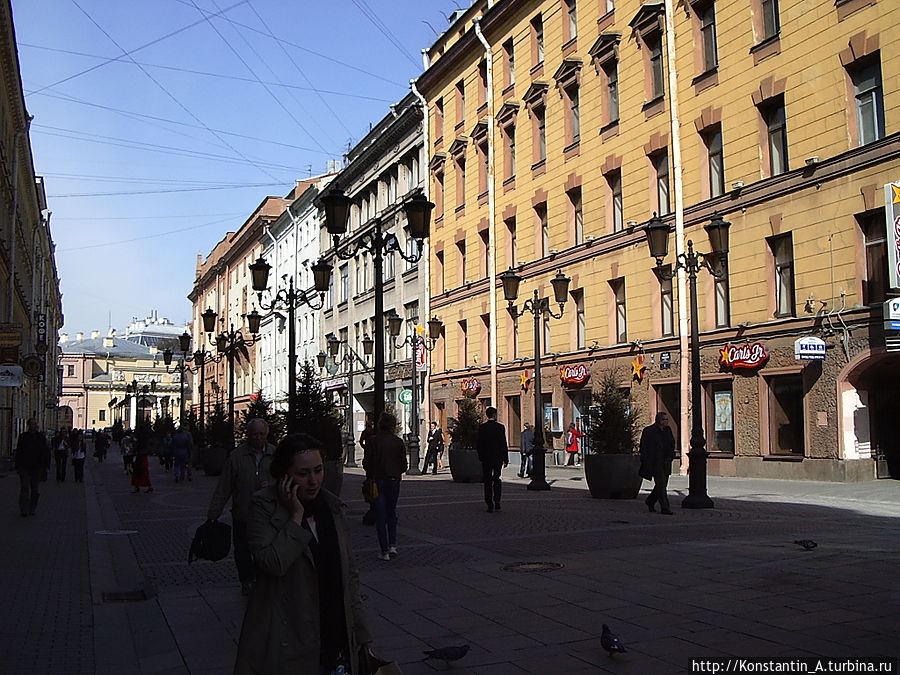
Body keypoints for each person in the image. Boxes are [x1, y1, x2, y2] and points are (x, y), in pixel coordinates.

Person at [234, 433, 373, 674]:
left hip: (335, 632)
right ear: (284, 475)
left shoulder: (331, 508)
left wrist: (362, 635)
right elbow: (272, 563)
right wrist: (296, 516)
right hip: (290, 636)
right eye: (303, 473)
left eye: (318, 470)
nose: (313, 481)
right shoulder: (263, 508)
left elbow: (348, 575)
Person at [207, 418, 275, 595]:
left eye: (261, 434)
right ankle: (246, 581)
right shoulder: (237, 457)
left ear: (267, 434)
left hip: (268, 515)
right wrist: (213, 513)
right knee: (242, 551)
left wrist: (273, 485)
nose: (258, 438)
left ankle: (263, 580)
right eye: (255, 434)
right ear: (248, 435)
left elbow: (284, 480)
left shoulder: (275, 455)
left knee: (264, 550)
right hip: (243, 513)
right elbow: (224, 487)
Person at [364, 412, 407, 562]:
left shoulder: (373, 441)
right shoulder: (398, 442)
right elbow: (404, 465)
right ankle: (393, 545)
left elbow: (366, 463)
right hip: (394, 480)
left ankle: (384, 550)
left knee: (380, 514)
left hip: (378, 481)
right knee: (391, 512)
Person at [639, 412, 677, 515]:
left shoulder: (667, 430)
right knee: (660, 484)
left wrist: (671, 455)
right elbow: (644, 447)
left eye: (667, 419)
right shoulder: (649, 431)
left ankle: (650, 501)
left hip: (666, 461)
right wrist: (645, 461)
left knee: (662, 485)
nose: (666, 421)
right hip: (655, 462)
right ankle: (665, 507)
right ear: (659, 420)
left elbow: (671, 443)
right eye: (664, 419)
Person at [15, 418, 50, 517]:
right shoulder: (23, 437)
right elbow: (19, 451)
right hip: (24, 466)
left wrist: (45, 466)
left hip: (36, 467)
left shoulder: (40, 437)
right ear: (28, 425)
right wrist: (17, 466)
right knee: (24, 487)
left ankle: (32, 508)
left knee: (35, 489)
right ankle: (24, 509)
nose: (34, 426)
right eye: (32, 424)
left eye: (35, 424)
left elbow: (45, 452)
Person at [477, 406, 508, 513]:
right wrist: (505, 458)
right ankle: (497, 500)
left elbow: (479, 444)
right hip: (497, 458)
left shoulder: (482, 428)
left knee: (487, 480)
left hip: (486, 458)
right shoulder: (500, 427)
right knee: (497, 478)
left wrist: (480, 456)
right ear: (494, 415)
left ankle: (489, 503)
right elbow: (503, 443)